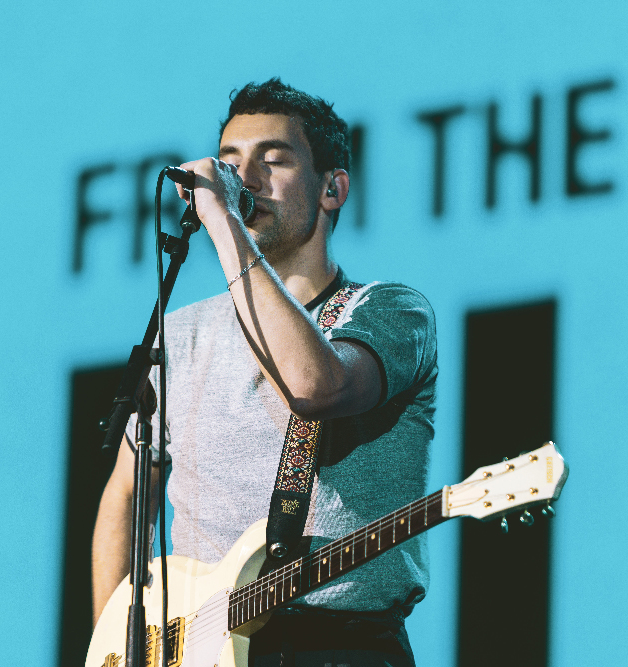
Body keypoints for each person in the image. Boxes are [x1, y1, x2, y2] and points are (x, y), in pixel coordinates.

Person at [92, 78, 437, 667]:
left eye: (272, 160)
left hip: (340, 648)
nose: (245, 180)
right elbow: (127, 493)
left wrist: (223, 221)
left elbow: (312, 386)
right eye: (229, 163)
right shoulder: (183, 334)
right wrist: (114, 647)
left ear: (333, 189)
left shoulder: (390, 311)